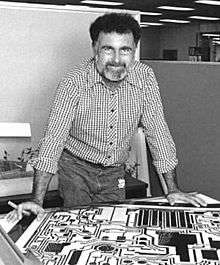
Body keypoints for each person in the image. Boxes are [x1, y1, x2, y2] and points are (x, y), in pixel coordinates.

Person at [8, 12, 206, 221]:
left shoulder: (145, 78)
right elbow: (53, 141)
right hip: (76, 169)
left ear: (135, 50)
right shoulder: (73, 82)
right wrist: (37, 200)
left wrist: (173, 189)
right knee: (79, 224)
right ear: (95, 49)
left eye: (125, 50)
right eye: (108, 49)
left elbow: (158, 133)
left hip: (114, 172)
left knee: (113, 225)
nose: (117, 60)